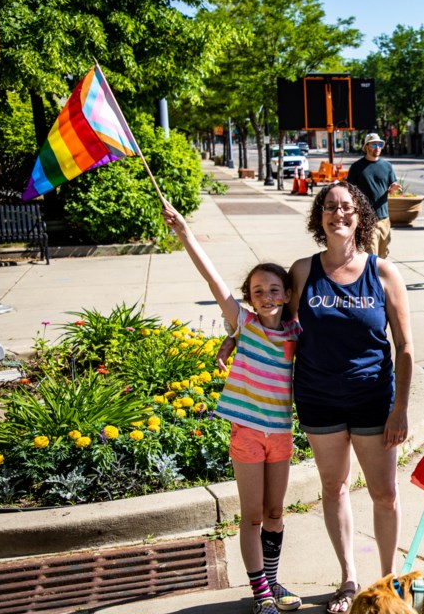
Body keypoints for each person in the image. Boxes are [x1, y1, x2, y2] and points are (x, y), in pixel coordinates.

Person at [162, 201, 303, 614]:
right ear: (249, 299)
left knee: (276, 513)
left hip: (280, 433)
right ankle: (261, 595)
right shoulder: (245, 323)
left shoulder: (297, 331)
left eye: (275, 289)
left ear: (288, 294)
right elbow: (212, 280)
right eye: (258, 291)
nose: (266, 296)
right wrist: (186, 233)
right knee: (254, 515)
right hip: (246, 434)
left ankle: (273, 582)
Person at [288, 182, 414, 613]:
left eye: (346, 207)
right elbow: (276, 327)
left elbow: (406, 347)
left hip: (372, 399)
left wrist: (401, 409)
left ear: (360, 216)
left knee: (385, 494)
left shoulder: (383, 272)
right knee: (333, 486)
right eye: (329, 207)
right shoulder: (303, 271)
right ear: (319, 218)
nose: (337, 214)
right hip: (318, 398)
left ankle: (387, 581)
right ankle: (348, 578)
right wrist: (235, 339)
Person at [346, 133, 401, 258]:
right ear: (367, 146)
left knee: (383, 254)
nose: (378, 147)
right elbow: (350, 191)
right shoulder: (357, 167)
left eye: (380, 144)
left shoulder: (387, 166)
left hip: (384, 218)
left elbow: (391, 187)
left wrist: (393, 189)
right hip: (367, 218)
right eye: (374, 144)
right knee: (371, 254)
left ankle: (378, 277)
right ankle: (371, 277)